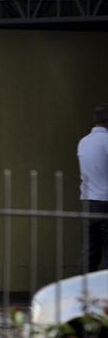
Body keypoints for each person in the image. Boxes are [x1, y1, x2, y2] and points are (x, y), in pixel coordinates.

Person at [77, 103, 108, 273]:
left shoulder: (84, 142)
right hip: (106, 200)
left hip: (88, 201)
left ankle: (84, 293)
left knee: (89, 251)